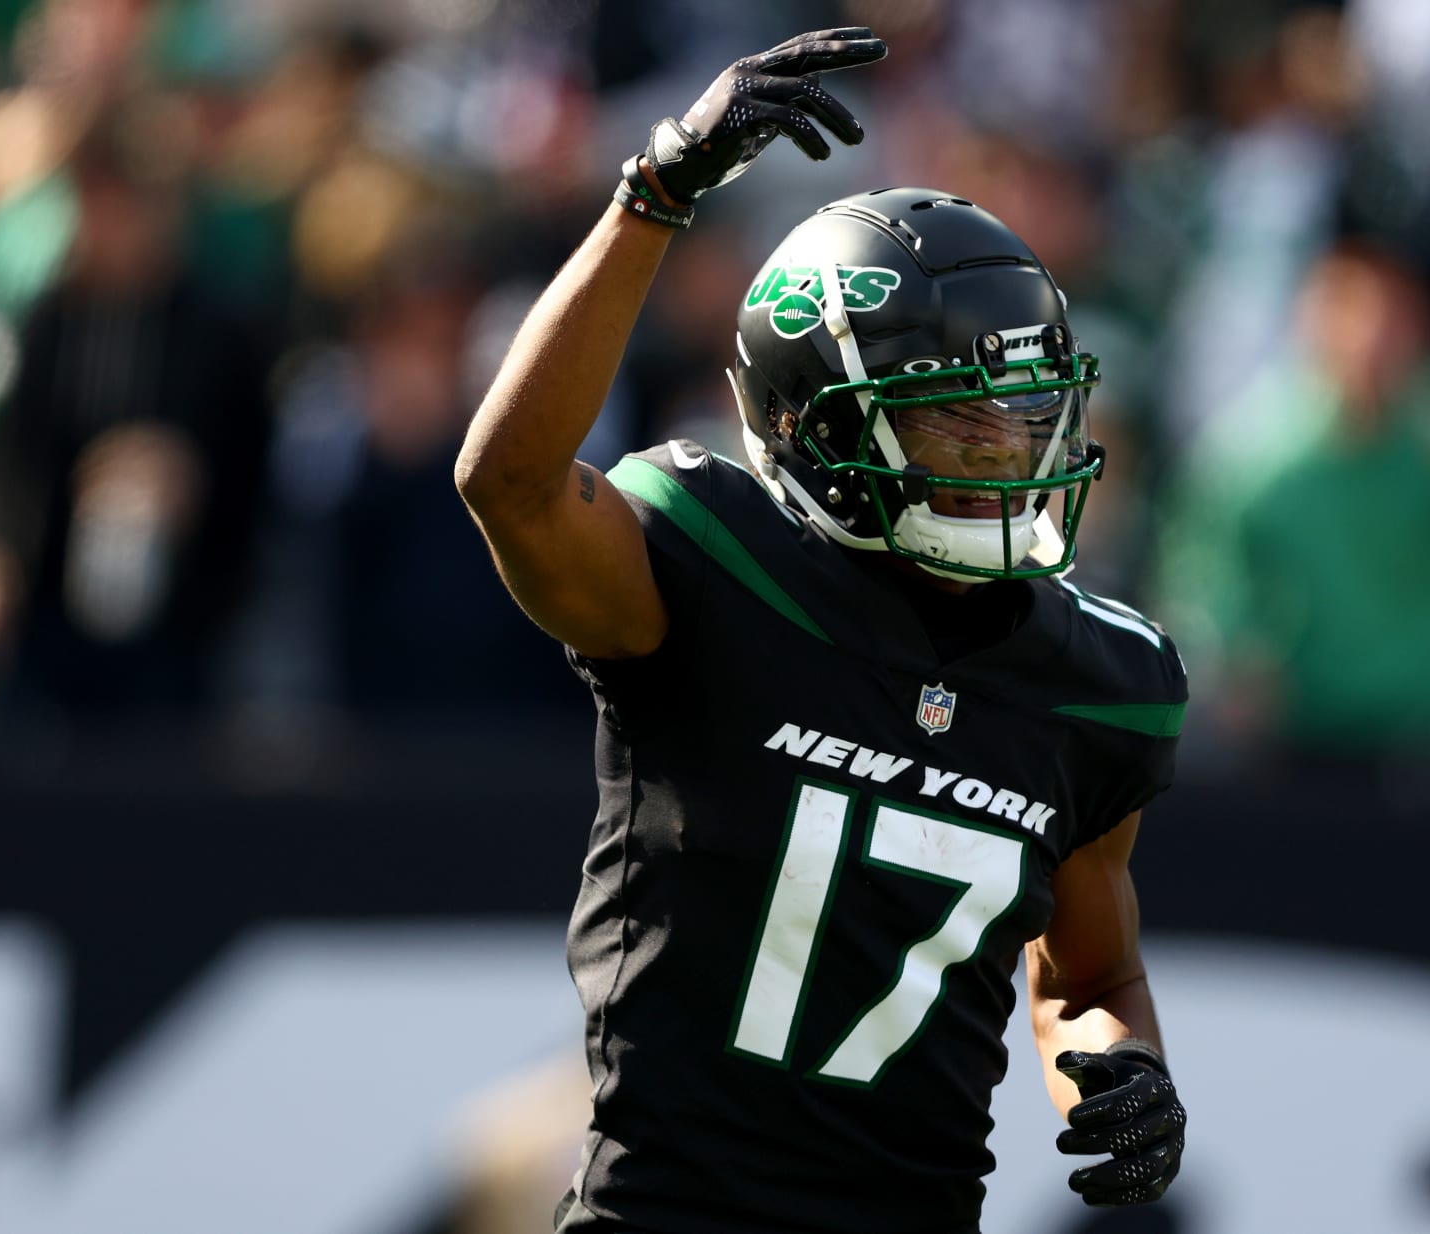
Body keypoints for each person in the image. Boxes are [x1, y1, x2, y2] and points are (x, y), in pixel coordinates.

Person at [455, 28, 1189, 1234]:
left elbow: (1091, 971)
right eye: (961, 432)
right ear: (824, 433)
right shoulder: (707, 567)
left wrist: (1127, 1065)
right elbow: (511, 484)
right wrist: (656, 193)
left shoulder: (1101, 680)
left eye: (1025, 427)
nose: (1008, 468)